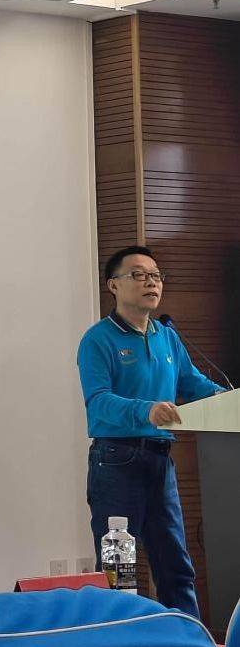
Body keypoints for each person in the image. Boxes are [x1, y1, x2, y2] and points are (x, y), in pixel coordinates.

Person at [77, 245, 224, 617]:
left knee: (176, 564)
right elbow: (98, 401)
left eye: (156, 275)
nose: (151, 283)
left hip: (160, 460)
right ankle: (120, 640)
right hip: (116, 460)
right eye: (139, 275)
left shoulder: (166, 335)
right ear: (113, 285)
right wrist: (147, 410)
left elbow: (194, 384)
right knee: (119, 568)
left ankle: (187, 640)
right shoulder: (98, 339)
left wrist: (229, 399)